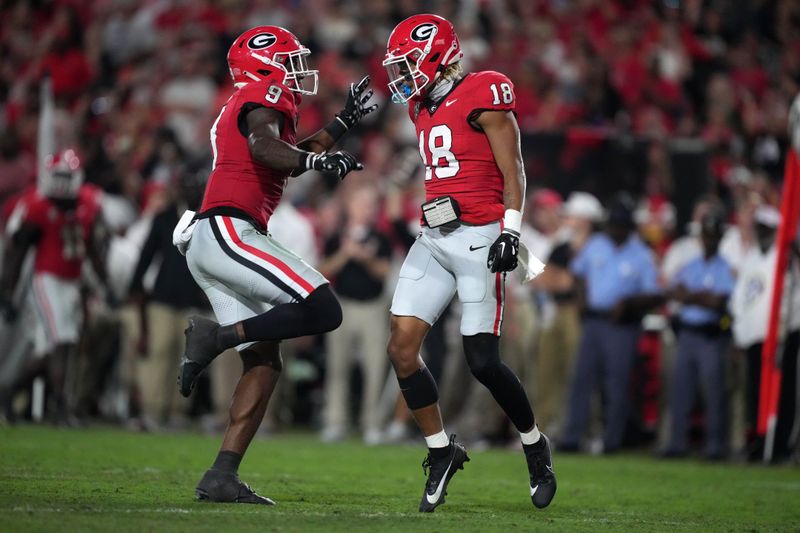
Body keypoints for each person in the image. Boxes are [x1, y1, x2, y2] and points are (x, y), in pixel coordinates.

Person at [175, 26, 375, 504]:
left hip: (214, 237)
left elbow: (282, 154)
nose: (298, 71)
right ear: (265, 65)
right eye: (290, 61)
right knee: (325, 308)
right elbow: (268, 148)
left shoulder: (252, 101)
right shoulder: (262, 93)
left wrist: (341, 124)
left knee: (265, 359)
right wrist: (316, 164)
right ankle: (214, 338)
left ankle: (222, 474)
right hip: (230, 230)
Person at [381, 14, 555, 512]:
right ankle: (441, 451)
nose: (401, 76)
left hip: (481, 237)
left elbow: (513, 168)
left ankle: (534, 444)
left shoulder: (484, 91)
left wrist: (511, 231)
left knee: (482, 361)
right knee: (401, 347)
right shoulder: (419, 105)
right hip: (434, 238)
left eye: (408, 64)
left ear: (437, 57)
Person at [0, 149, 107, 423]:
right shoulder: (38, 206)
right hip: (46, 280)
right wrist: (7, 291)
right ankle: (59, 406)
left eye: (66, 176)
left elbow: (92, 249)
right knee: (61, 342)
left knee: (58, 347)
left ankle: (11, 392)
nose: (61, 183)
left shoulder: (87, 203)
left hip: (71, 282)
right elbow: (18, 251)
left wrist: (104, 284)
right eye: (57, 176)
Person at [560, 193, 661, 453]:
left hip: (623, 325)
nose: (616, 228)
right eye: (613, 223)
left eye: (621, 223)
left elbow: (653, 294)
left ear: (629, 225)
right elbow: (579, 273)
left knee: (617, 384)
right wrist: (581, 298)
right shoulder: (596, 244)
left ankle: (612, 441)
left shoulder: (641, 254)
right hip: (593, 321)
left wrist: (629, 303)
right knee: (582, 379)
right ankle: (573, 437)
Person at [318, 184, 392, 444]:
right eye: (360, 204)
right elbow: (322, 269)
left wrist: (366, 258)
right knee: (337, 366)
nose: (365, 210)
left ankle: (372, 424)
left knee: (375, 368)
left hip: (373, 307)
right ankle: (335, 421)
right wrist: (346, 253)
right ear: (350, 207)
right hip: (342, 306)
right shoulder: (336, 237)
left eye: (369, 205)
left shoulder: (380, 238)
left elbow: (384, 271)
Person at [662, 209, 734, 459]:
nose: (709, 239)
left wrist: (690, 296)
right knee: (680, 390)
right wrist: (699, 297)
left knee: (713, 392)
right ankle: (677, 443)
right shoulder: (691, 264)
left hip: (710, 336)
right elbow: (673, 291)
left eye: (714, 235)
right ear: (701, 236)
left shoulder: (725, 267)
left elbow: (718, 302)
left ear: (720, 237)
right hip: (687, 334)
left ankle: (715, 446)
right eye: (706, 234)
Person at [730, 205, 800, 462]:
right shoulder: (751, 258)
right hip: (754, 337)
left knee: (783, 393)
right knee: (755, 392)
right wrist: (739, 330)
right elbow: (741, 297)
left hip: (782, 335)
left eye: (767, 228)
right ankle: (760, 440)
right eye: (759, 227)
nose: (762, 232)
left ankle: (780, 444)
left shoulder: (786, 258)